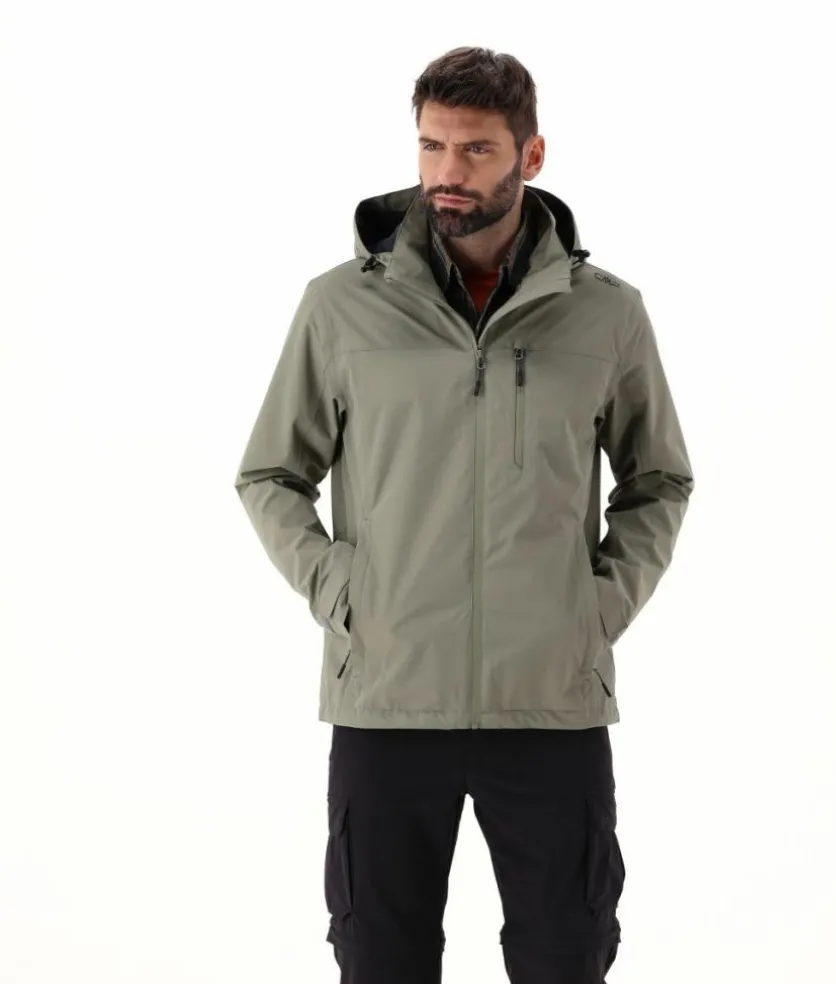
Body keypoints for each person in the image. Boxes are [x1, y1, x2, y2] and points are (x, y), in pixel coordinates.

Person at [233, 45, 695, 984]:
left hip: (550, 702)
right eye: (432, 145)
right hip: (388, 697)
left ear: (531, 156)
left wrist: (591, 611)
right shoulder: (340, 308)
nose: (448, 171)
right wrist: (345, 593)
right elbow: (272, 473)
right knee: (380, 959)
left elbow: (658, 481)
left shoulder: (606, 315)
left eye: (477, 149)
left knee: (565, 958)